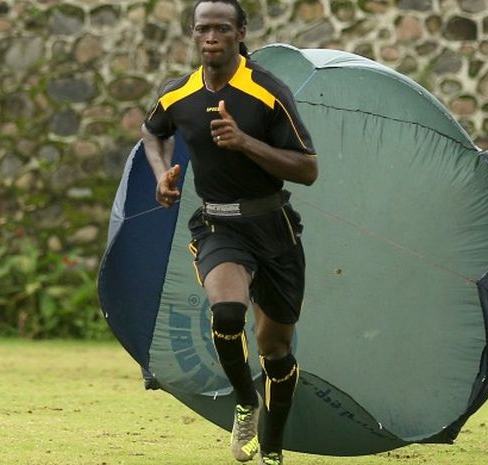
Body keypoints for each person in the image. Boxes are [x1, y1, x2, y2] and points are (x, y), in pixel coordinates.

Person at [141, 1, 318, 464]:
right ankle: (244, 403)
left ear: (241, 33)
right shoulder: (178, 94)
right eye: (203, 29)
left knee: (275, 350)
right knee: (226, 312)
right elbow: (151, 131)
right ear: (194, 35)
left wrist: (244, 142)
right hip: (218, 223)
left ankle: (273, 450)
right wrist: (161, 173)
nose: (211, 37)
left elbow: (307, 169)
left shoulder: (267, 92)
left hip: (273, 227)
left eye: (222, 28)